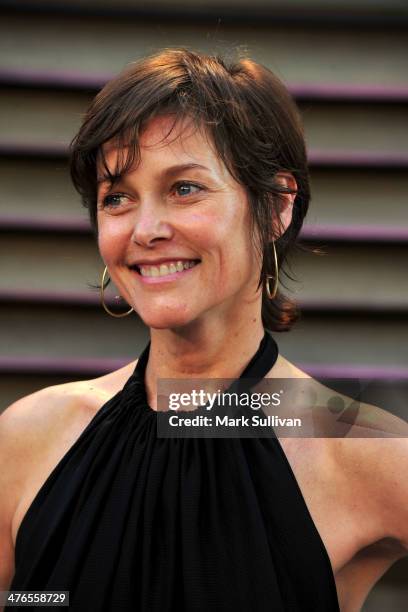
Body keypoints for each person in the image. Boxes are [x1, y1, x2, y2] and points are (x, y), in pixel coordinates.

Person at [0, 48, 407, 612]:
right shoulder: (29, 437)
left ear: (276, 206)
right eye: (116, 197)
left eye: (184, 188)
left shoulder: (362, 449)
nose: (145, 230)